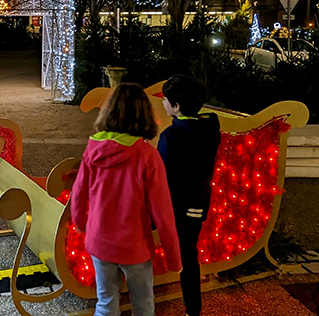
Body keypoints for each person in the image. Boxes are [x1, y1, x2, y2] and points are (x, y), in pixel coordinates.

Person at [71, 83, 182, 316]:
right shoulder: (148, 156)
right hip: (135, 246)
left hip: (99, 241)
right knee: (143, 306)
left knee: (106, 303)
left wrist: (81, 224)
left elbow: (79, 192)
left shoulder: (94, 148)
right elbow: (163, 211)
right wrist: (174, 257)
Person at [157, 75, 221, 316]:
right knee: (189, 254)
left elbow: (163, 175)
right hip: (199, 200)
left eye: (165, 100)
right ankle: (193, 310)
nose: (163, 104)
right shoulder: (209, 128)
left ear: (176, 106)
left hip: (176, 203)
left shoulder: (171, 137)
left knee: (183, 255)